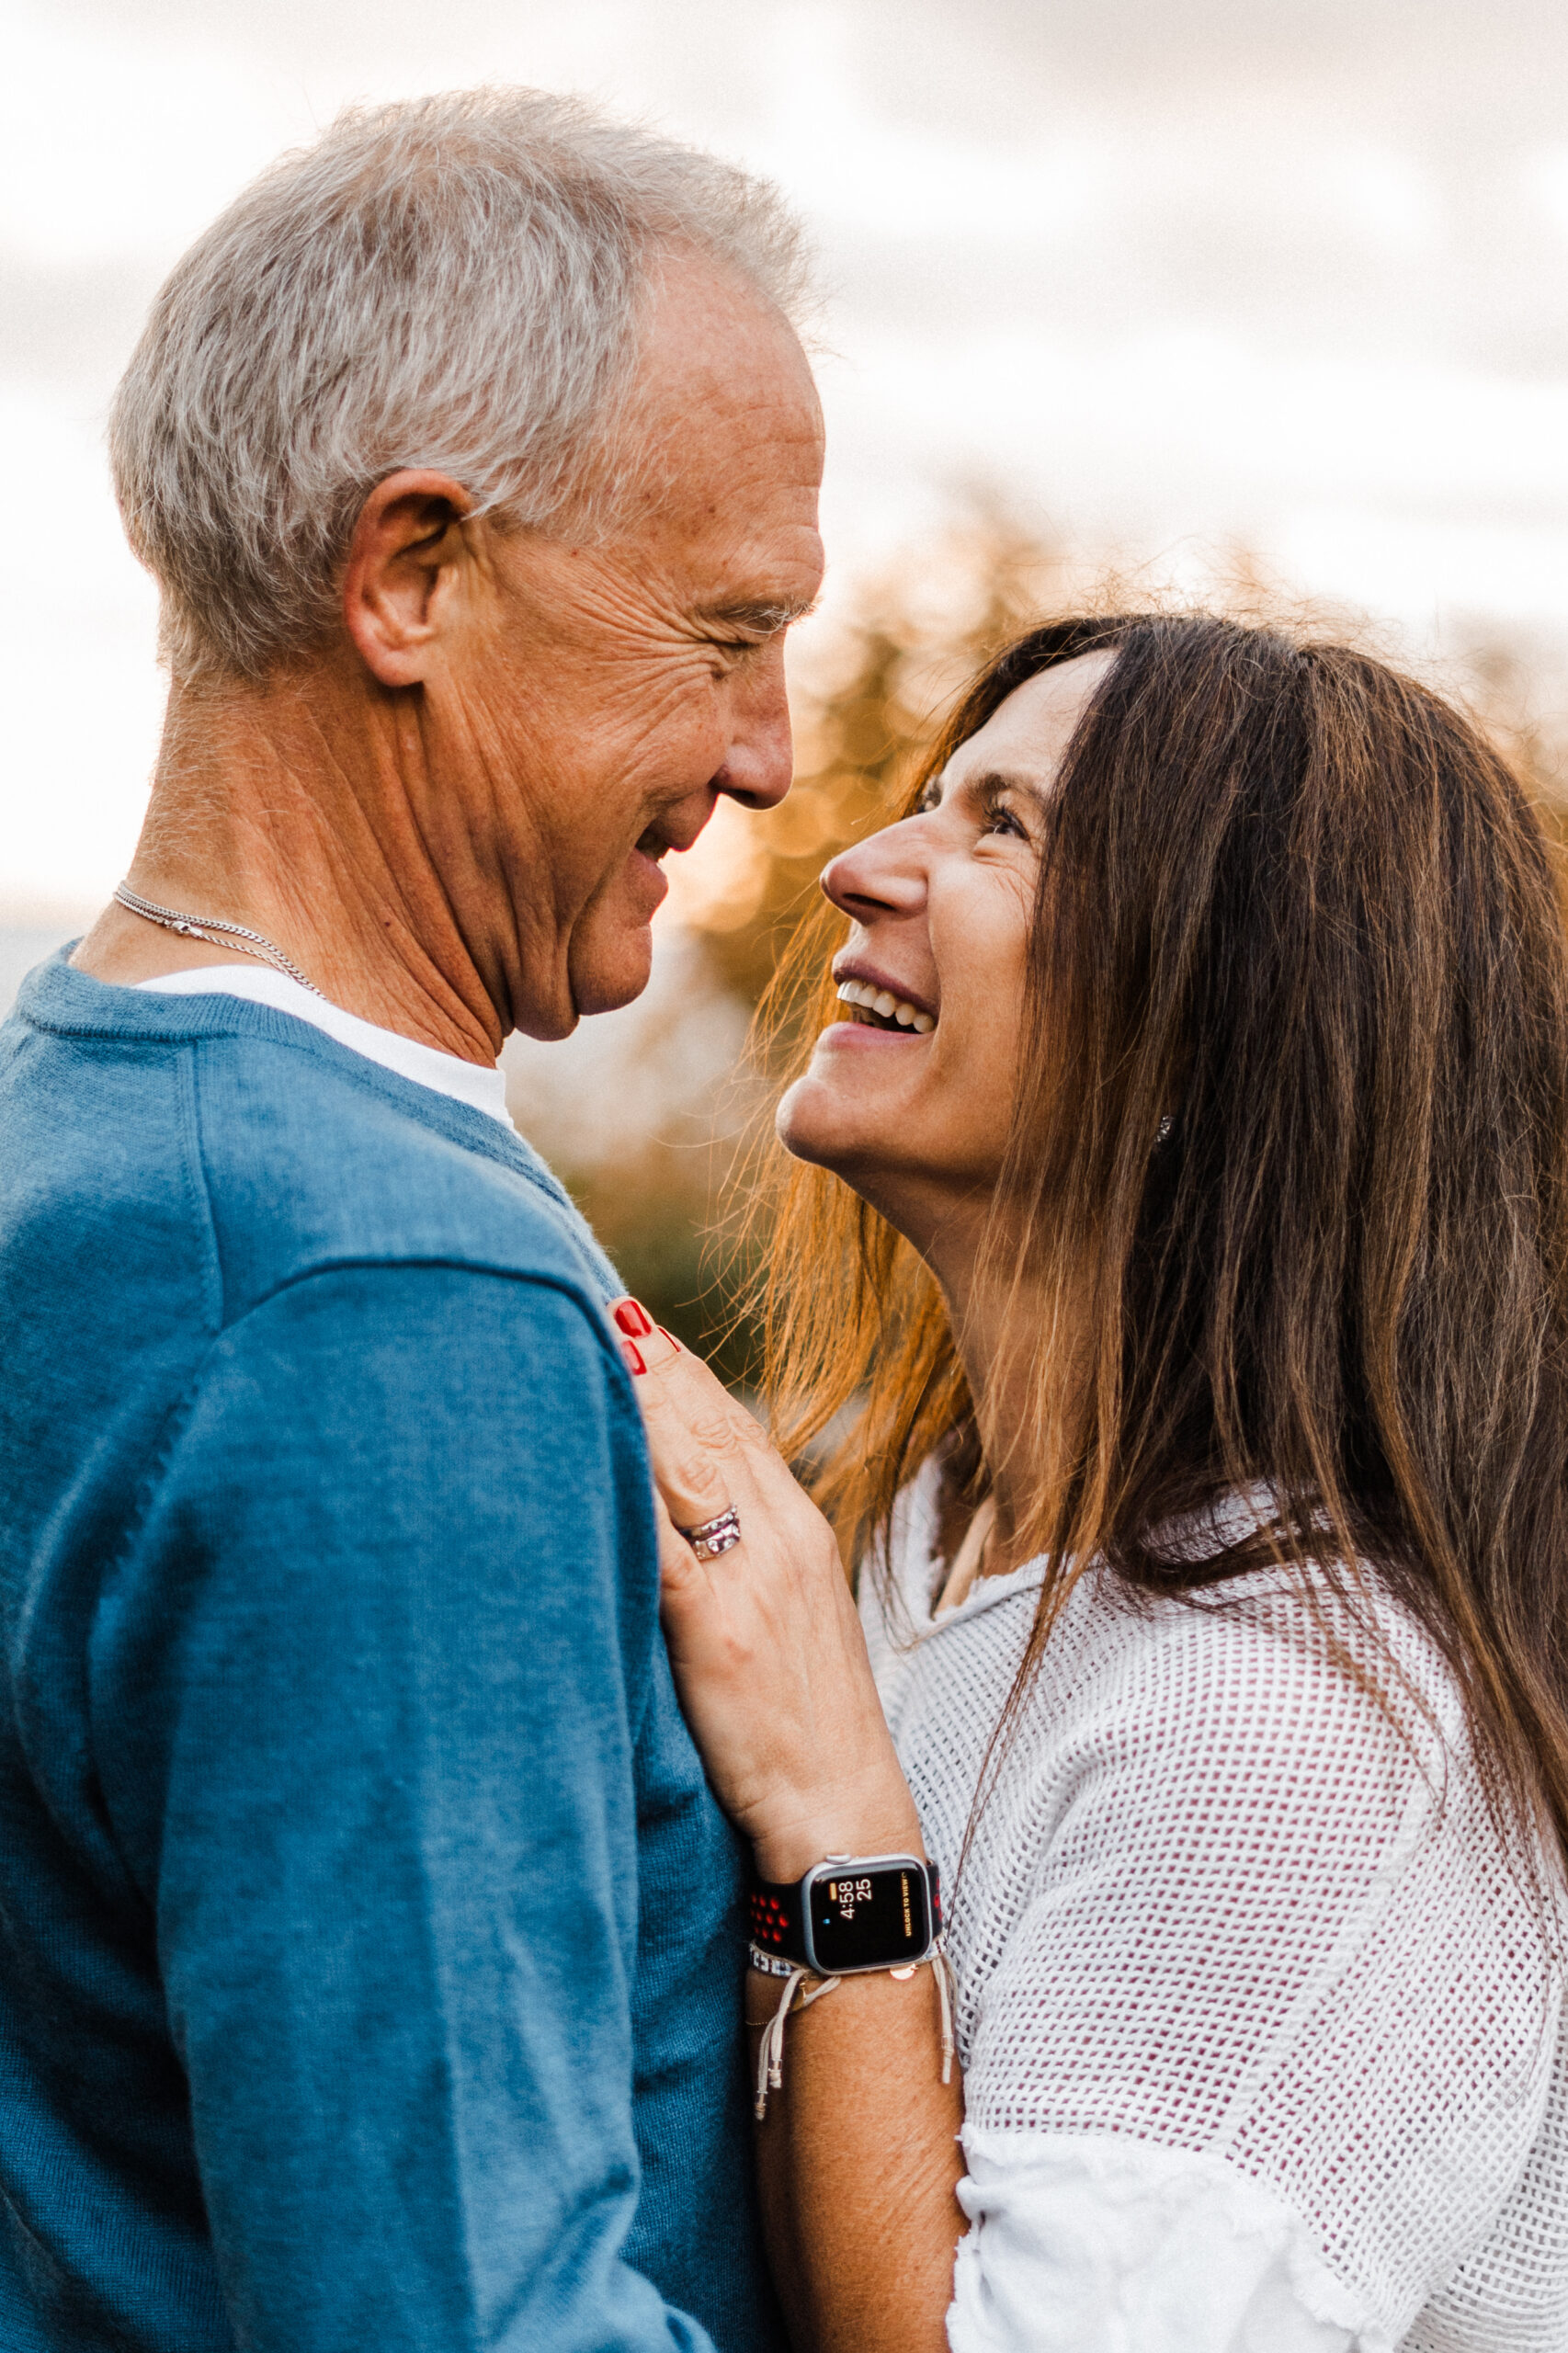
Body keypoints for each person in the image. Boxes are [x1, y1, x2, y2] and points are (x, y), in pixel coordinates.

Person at [0, 89, 824, 2353]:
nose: (771, 749)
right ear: (412, 577)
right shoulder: (374, 1293)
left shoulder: (72, 1120)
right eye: (725, 628)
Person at [618, 613, 1568, 2352]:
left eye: (1003, 828)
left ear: (1225, 1028)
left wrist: (838, 1813)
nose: (852, 866)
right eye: (927, 798)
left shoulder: (1295, 1738)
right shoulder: (918, 1531)